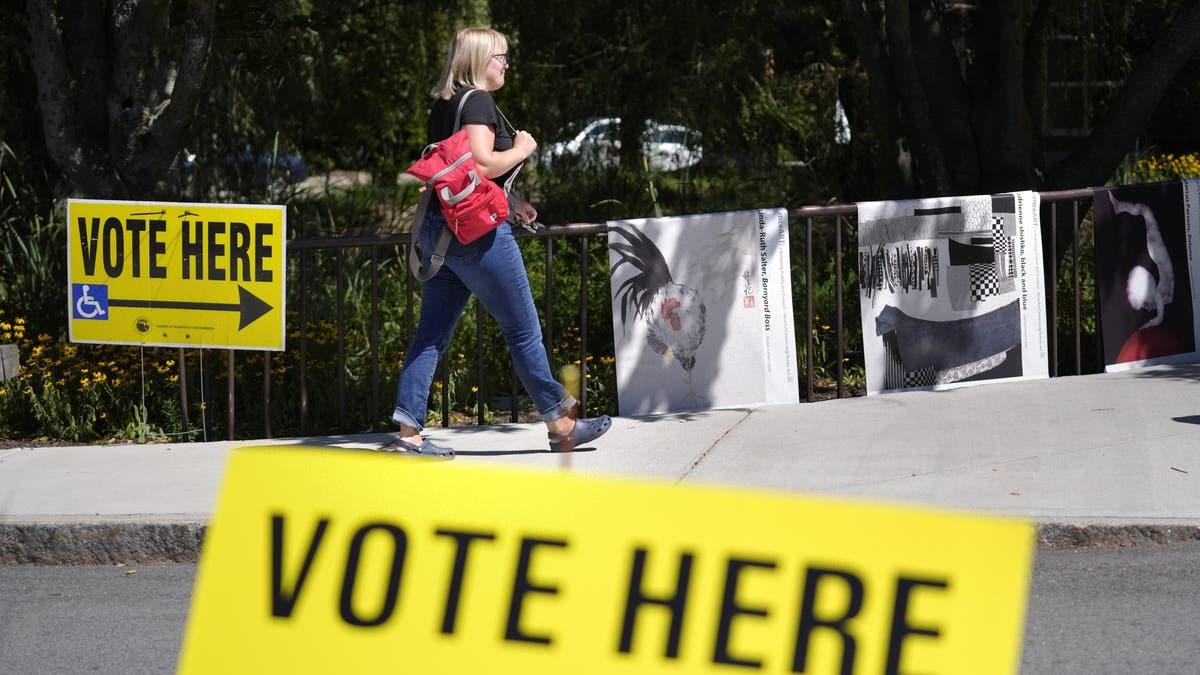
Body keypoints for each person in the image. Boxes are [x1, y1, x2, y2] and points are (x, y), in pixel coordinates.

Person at [386, 27, 611, 458]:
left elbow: (460, 173)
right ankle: (561, 424)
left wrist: (513, 200)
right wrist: (523, 148)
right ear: (480, 58)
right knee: (523, 331)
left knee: (431, 334)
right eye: (501, 57)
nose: (506, 64)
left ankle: (408, 434)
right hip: (477, 237)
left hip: (441, 231)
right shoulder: (480, 101)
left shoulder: (445, 102)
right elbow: (484, 164)